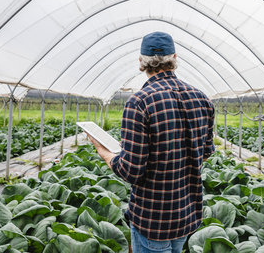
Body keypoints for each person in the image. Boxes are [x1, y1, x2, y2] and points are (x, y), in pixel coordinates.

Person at [88, 31, 215, 253]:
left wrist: (104, 151)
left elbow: (131, 171)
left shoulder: (139, 102)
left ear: (141, 61)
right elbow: (205, 152)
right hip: (187, 213)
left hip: (152, 220)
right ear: (174, 58)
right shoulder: (202, 98)